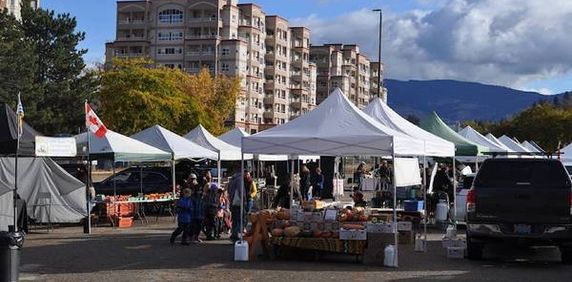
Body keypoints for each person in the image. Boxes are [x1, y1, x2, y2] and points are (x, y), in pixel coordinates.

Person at [228, 168, 246, 242]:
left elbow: (229, 189)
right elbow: (240, 191)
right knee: (240, 218)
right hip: (238, 203)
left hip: (233, 201)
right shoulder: (239, 180)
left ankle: (234, 234)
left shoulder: (232, 180)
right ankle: (236, 234)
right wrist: (243, 200)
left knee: (235, 219)